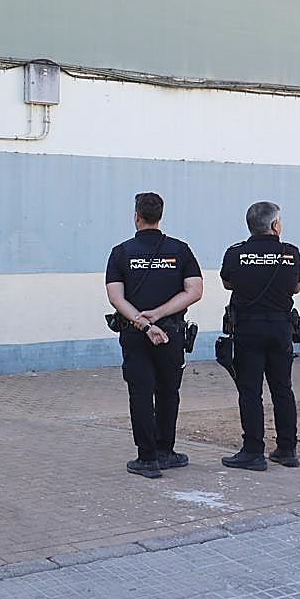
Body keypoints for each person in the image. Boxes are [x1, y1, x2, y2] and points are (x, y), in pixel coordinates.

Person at [105, 192, 204, 478]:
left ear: (136, 217)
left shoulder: (121, 252)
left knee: (140, 393)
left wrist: (143, 323)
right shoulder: (180, 250)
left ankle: (147, 459)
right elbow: (194, 291)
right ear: (160, 216)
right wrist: (159, 316)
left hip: (136, 333)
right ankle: (166, 451)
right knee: (168, 392)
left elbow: (115, 298)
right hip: (171, 332)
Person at [219, 201, 300, 470]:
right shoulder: (290, 252)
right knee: (282, 389)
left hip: (248, 329)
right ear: (275, 225)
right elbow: (297, 287)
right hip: (281, 329)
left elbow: (227, 282)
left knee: (250, 391)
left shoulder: (236, 253)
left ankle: (253, 451)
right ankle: (287, 450)